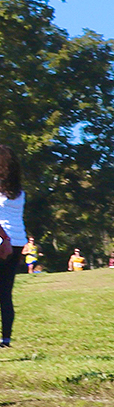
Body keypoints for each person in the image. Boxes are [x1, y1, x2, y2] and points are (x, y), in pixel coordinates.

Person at [0, 145, 23, 348]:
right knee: (5, 292)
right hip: (18, 242)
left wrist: (3, 239)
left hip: (2, 240)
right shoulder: (19, 191)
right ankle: (5, 339)